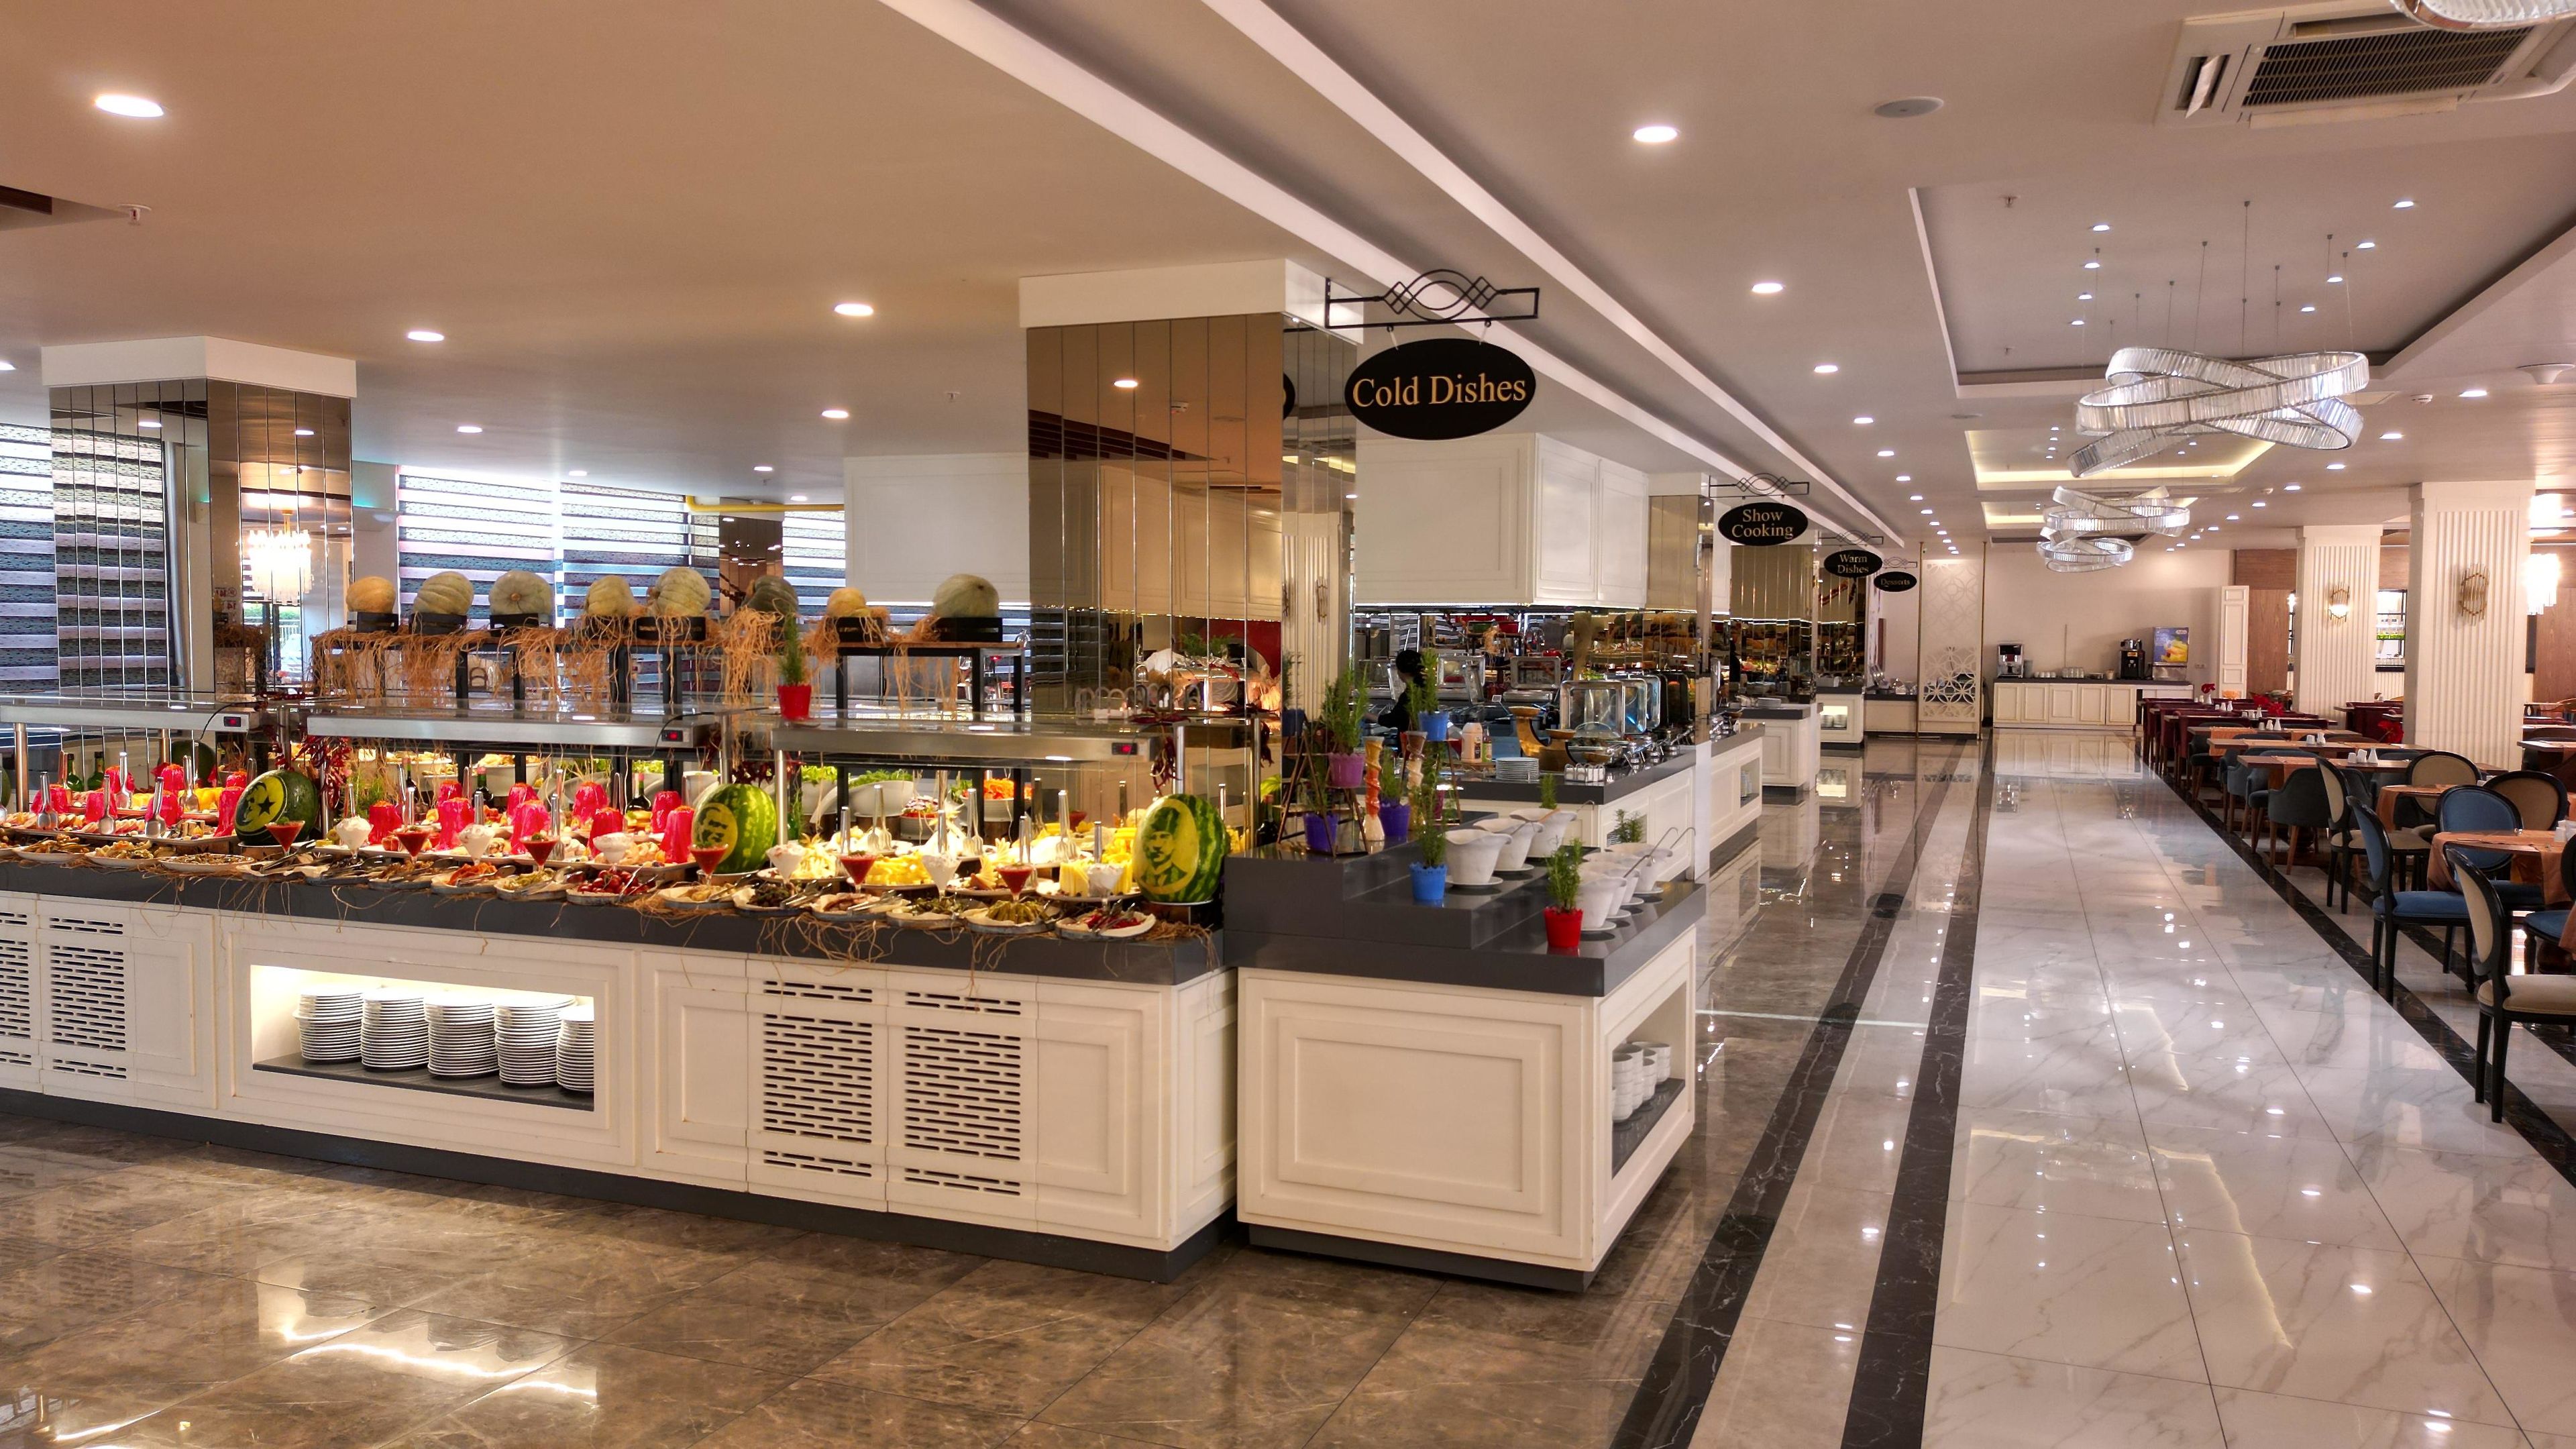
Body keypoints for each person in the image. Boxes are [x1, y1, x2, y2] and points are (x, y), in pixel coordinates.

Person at [1379, 648, 1424, 735]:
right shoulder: (1424, 689)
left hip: (1410, 740)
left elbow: (1391, 720)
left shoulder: (1409, 695)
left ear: (1401, 671)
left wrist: (1365, 714)